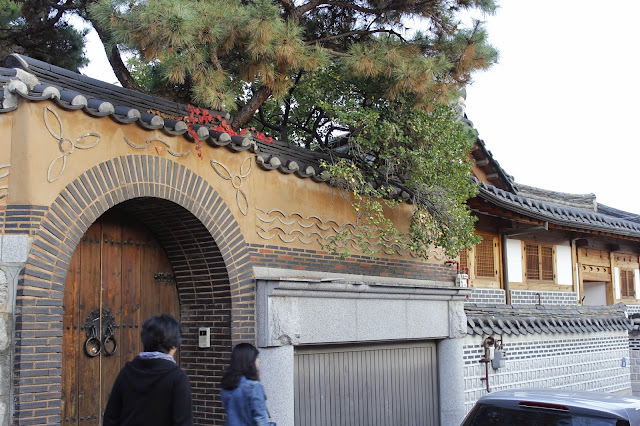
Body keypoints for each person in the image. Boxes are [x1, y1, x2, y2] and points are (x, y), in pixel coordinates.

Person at [104, 314, 193, 426]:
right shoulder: (177, 377)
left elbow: (111, 418)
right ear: (173, 346)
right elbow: (183, 422)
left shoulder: (127, 372)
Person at [221, 343, 271, 425]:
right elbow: (261, 420)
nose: (258, 360)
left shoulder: (226, 385)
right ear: (250, 361)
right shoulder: (254, 387)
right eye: (256, 358)